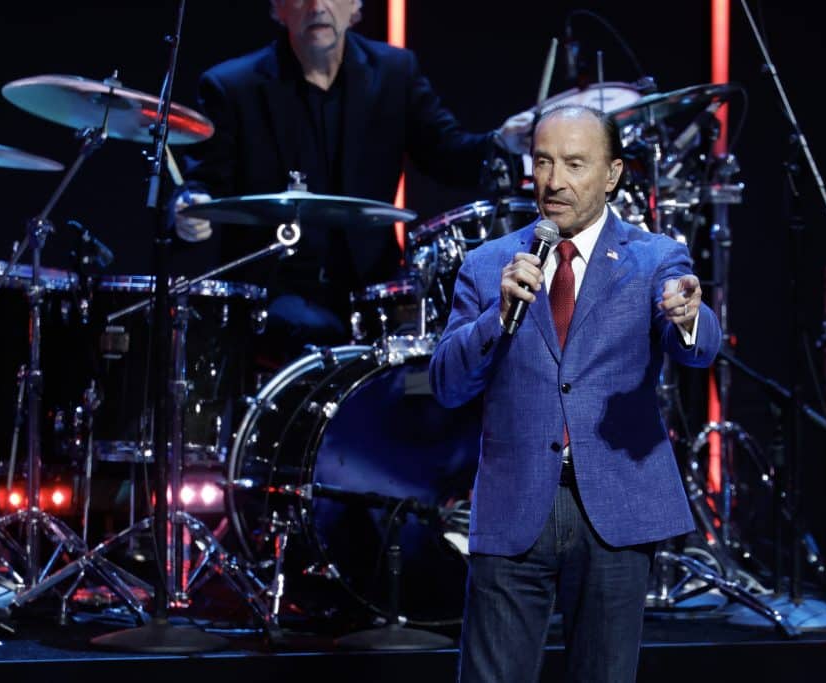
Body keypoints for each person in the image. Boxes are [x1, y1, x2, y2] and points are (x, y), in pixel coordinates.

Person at [428, 104, 722, 682]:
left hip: (615, 505)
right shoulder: (489, 265)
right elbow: (447, 383)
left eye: (574, 164)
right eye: (542, 161)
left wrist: (690, 315)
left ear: (612, 174)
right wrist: (498, 315)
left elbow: (696, 345)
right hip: (515, 506)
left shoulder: (653, 257)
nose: (554, 180)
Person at [173, 0, 533, 361]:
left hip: (372, 291)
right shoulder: (233, 86)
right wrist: (189, 209)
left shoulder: (394, 72)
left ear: (356, 7)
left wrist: (499, 142)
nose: (318, 7)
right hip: (271, 300)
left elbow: (446, 153)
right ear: (277, 9)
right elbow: (202, 184)